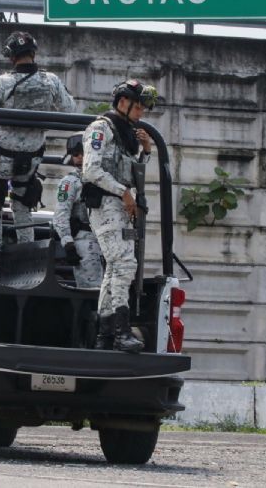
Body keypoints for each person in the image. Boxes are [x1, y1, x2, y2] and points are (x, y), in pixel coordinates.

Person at [0, 31, 76, 283]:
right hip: (32, 159)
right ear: (34, 52)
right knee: (22, 205)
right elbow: (70, 111)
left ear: (10, 56)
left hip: (2, 159)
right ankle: (28, 265)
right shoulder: (51, 81)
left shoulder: (3, 83)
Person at [81, 79, 157, 352]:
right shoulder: (100, 129)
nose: (141, 114)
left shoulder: (126, 133)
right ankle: (122, 331)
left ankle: (105, 336)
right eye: (138, 107)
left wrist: (146, 151)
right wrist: (123, 192)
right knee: (125, 264)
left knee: (114, 269)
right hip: (105, 204)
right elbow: (90, 170)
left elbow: (132, 173)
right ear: (122, 102)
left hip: (121, 206)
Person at [53, 133, 103, 289]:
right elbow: (61, 215)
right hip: (85, 241)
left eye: (83, 153)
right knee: (91, 291)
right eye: (76, 154)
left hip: (107, 241)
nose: (80, 157)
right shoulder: (70, 182)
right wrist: (68, 245)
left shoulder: (104, 179)